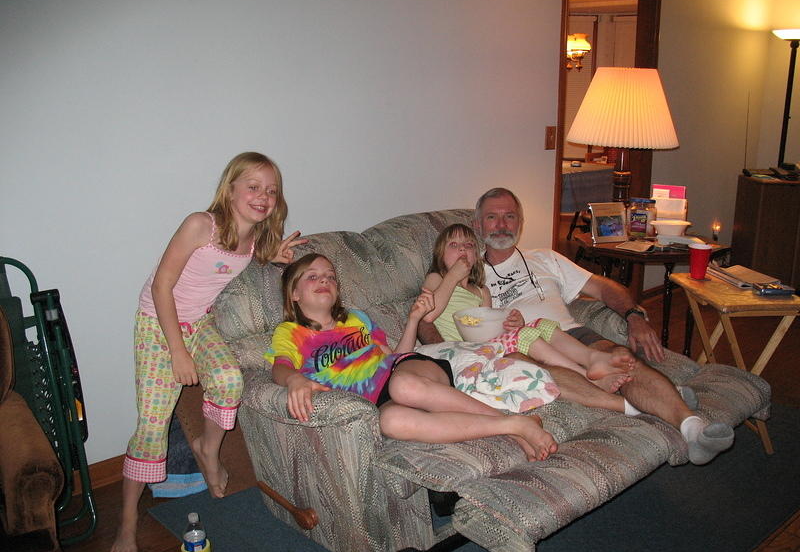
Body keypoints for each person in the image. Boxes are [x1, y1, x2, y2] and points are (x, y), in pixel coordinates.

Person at [110, 152, 306, 552]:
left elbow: (231, 263)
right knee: (152, 426)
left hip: (198, 323)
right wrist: (177, 352)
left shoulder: (252, 239)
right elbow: (163, 285)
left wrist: (272, 257)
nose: (263, 196)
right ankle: (127, 521)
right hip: (157, 323)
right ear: (230, 188)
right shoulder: (201, 223)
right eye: (253, 186)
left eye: (271, 190)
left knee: (230, 381)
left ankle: (207, 448)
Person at [469, 187, 734, 466]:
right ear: (478, 225)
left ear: (520, 223)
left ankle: (694, 429)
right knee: (535, 368)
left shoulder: (545, 258)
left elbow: (604, 288)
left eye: (509, 216)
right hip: (525, 347)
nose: (501, 225)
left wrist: (633, 316)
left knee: (623, 359)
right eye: (492, 218)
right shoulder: (470, 275)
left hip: (571, 334)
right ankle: (644, 403)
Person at [264, 253, 558, 464]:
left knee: (404, 386)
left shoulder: (357, 319)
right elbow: (280, 367)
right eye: (313, 277)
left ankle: (512, 421)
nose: (324, 280)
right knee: (391, 422)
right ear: (294, 294)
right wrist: (295, 380)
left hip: (407, 372)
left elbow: (395, 356)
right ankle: (511, 427)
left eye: (330, 276)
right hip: (377, 399)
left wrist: (413, 320)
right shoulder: (290, 332)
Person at [422, 223, 634, 394]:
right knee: (524, 336)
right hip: (458, 352)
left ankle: (593, 358)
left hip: (484, 347)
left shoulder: (482, 291)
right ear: (440, 255)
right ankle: (587, 379)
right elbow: (429, 314)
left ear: (476, 256)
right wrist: (452, 277)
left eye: (468, 245)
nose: (462, 249)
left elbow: (488, 328)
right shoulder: (436, 279)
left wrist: (510, 323)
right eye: (453, 245)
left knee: (541, 324)